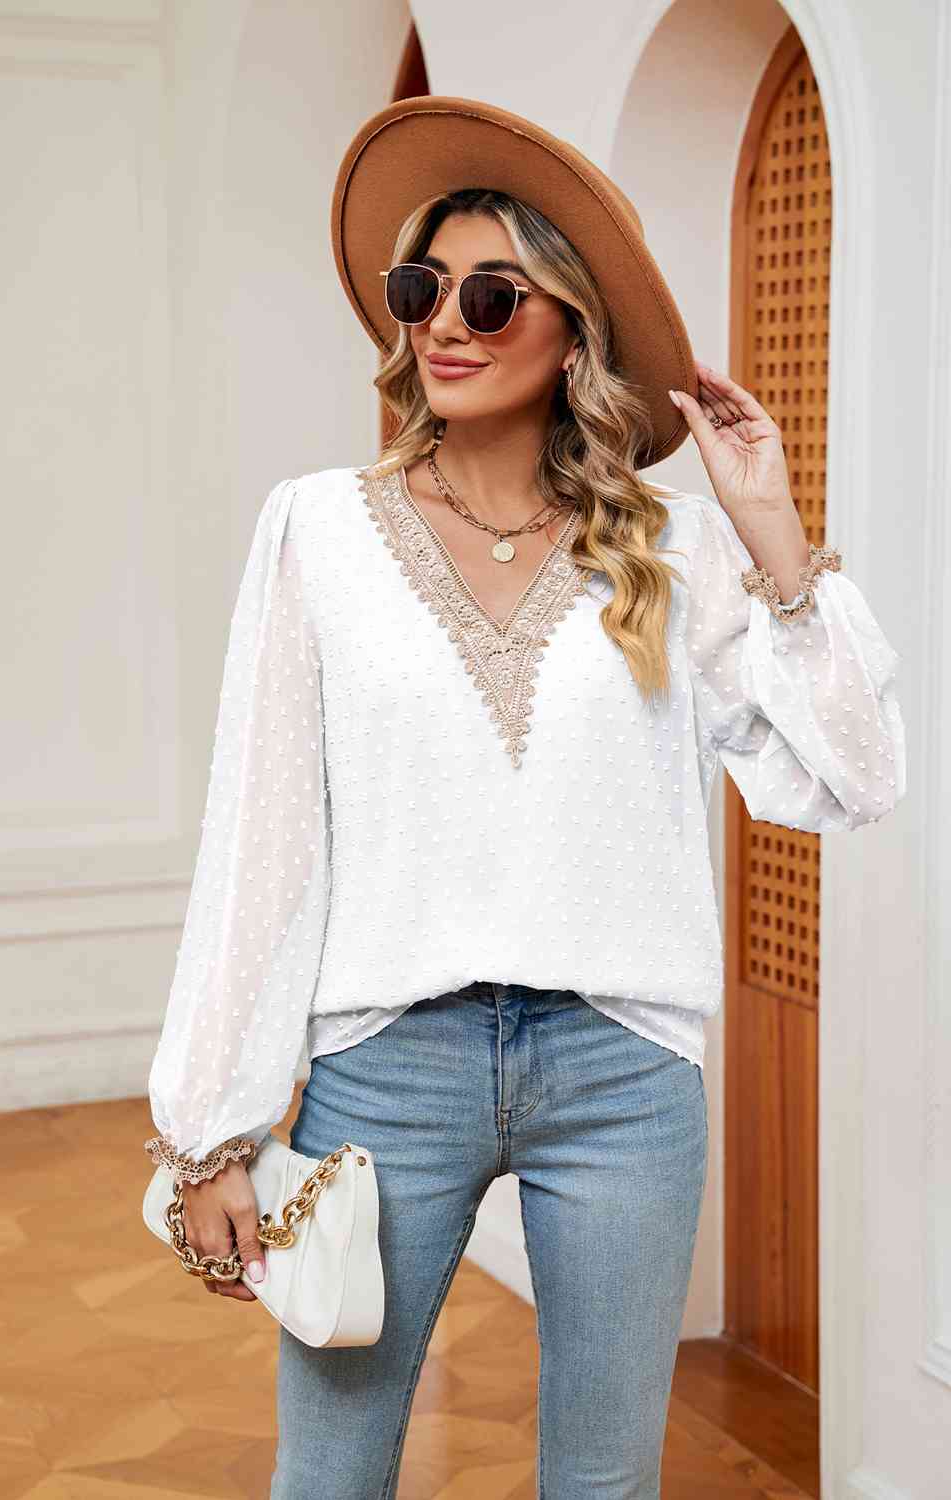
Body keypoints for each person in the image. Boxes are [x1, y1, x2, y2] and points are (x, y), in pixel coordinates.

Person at [142, 97, 906, 1499]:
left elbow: (853, 778)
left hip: (623, 1069)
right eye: (422, 289)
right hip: (388, 1065)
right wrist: (213, 1127)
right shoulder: (318, 530)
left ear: (572, 331)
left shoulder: (674, 548)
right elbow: (262, 839)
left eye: (492, 295)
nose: (448, 322)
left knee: (605, 1486)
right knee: (329, 1476)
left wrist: (774, 533)